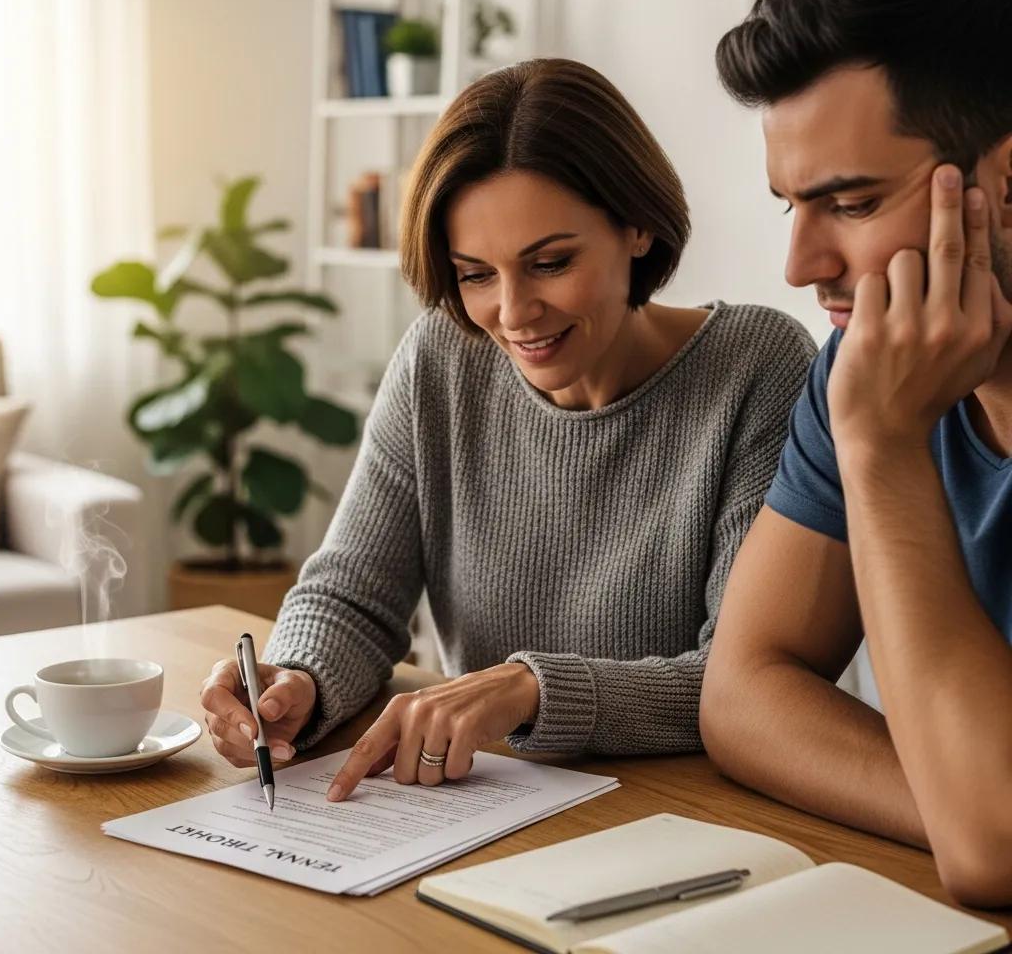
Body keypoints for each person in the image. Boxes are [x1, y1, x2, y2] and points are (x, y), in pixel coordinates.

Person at [201, 58, 814, 802]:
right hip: (476, 801)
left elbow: (746, 683)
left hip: (686, 814)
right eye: (475, 274)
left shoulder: (758, 367)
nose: (514, 313)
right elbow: (354, 594)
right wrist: (297, 679)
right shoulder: (441, 357)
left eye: (550, 263)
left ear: (638, 225)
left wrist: (531, 689)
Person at [700, 0, 1012, 908]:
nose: (801, 265)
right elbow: (742, 692)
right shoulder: (862, 364)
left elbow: (996, 846)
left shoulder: (871, 402)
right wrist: (961, 799)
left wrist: (879, 447)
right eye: (790, 206)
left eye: (852, 202)